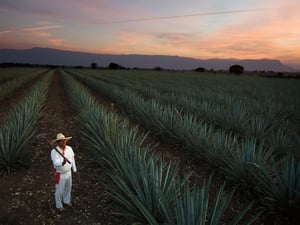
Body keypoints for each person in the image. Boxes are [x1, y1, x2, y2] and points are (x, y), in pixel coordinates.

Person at [50, 133, 77, 211]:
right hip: (60, 174)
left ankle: (66, 201)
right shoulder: (54, 152)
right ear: (58, 142)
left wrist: (74, 169)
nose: (63, 142)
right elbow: (55, 163)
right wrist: (62, 163)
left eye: (64, 141)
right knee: (59, 190)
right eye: (61, 141)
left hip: (69, 172)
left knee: (68, 187)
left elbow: (72, 159)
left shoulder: (69, 149)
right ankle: (58, 205)